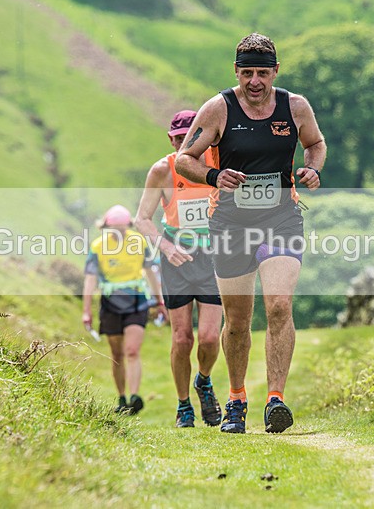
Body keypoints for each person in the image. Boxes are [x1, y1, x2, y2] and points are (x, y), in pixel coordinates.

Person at [175, 33, 326, 434]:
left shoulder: (295, 106)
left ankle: (276, 399)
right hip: (230, 223)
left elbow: (315, 143)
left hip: (281, 217)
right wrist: (214, 175)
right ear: (236, 72)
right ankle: (237, 399)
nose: (255, 81)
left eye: (262, 72)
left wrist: (312, 168)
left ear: (276, 70)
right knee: (239, 321)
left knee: (278, 306)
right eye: (247, 73)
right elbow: (183, 159)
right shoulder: (218, 109)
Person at [134, 110, 224, 428]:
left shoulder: (216, 163)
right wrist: (166, 247)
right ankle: (184, 405)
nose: (181, 143)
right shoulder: (162, 170)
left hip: (213, 258)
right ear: (170, 140)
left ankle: (204, 380)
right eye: (176, 138)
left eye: (189, 137)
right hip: (176, 259)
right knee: (182, 339)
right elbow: (142, 219)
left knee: (211, 338)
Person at [82, 204, 167, 415]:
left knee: (132, 350)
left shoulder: (138, 242)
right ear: (105, 228)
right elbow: (90, 280)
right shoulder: (97, 246)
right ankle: (121, 398)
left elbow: (150, 273)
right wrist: (86, 311)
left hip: (137, 301)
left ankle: (135, 396)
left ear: (128, 226)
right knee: (117, 354)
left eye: (123, 229)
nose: (119, 233)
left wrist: (160, 301)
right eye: (114, 229)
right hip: (110, 304)